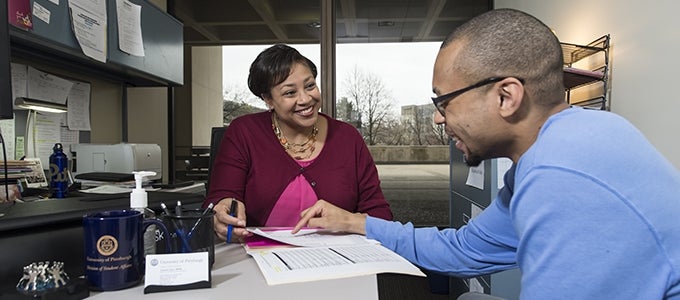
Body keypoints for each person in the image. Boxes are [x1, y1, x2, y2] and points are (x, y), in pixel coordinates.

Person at [294, 8, 680, 299]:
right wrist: (356, 223)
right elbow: (465, 250)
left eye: (444, 101)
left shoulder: (563, 178)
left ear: (506, 96)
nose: (438, 118)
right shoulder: (565, 146)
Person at [204, 44, 392, 242]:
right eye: (290, 93)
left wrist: (348, 221)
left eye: (310, 86)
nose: (305, 99)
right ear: (268, 99)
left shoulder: (348, 137)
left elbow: (380, 215)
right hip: (258, 257)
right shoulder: (243, 132)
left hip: (338, 258)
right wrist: (223, 209)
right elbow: (221, 196)